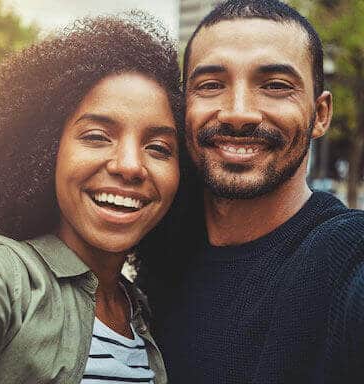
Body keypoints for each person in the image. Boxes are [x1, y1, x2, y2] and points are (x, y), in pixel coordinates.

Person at [141, 0, 364, 383]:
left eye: (275, 86)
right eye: (211, 85)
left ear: (321, 114)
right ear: (183, 108)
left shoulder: (348, 261)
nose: (238, 112)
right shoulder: (156, 258)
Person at [0, 12, 182, 384]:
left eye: (158, 147)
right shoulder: (6, 276)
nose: (130, 166)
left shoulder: (143, 311)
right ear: (46, 149)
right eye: (96, 136)